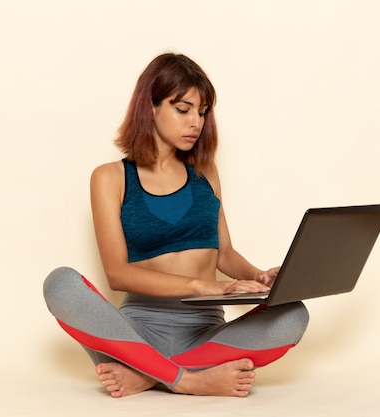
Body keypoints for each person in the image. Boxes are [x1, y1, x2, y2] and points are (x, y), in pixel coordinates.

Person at [43, 53, 309, 398]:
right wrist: (199, 285)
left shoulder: (205, 172)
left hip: (205, 333)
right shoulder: (111, 178)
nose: (195, 122)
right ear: (149, 107)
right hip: (135, 331)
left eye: (202, 112)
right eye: (183, 110)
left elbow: (224, 253)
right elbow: (117, 274)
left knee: (293, 315)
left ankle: (148, 373)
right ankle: (187, 379)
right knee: (60, 283)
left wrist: (260, 278)